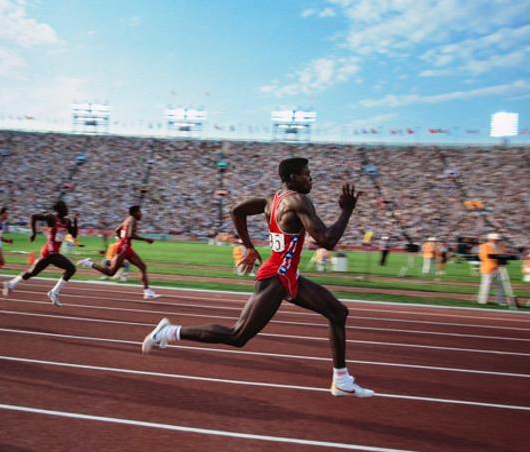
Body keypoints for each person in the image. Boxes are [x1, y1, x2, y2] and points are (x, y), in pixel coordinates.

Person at [142, 157, 375, 398]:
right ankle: (167, 332)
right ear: (293, 177)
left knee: (338, 312)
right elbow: (327, 240)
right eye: (307, 174)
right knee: (238, 335)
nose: (311, 178)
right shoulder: (298, 200)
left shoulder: (270, 200)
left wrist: (249, 247)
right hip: (276, 276)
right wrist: (347, 211)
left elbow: (236, 210)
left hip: (287, 274)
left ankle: (341, 379)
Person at [4, 200, 81, 305]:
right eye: (64, 208)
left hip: (52, 253)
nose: (66, 209)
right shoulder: (52, 218)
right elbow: (34, 217)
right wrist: (34, 233)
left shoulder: (67, 221)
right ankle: (54, 292)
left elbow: (74, 235)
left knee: (32, 273)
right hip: (49, 252)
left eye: (66, 207)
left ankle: (10, 283)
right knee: (71, 269)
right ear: (58, 210)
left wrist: (76, 221)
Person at [82, 205, 159, 299]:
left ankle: (147, 291)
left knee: (143, 266)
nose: (141, 214)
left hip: (125, 247)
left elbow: (117, 230)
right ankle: (89, 263)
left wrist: (122, 240)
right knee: (111, 273)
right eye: (140, 212)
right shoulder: (133, 220)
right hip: (124, 248)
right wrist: (145, 239)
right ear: (135, 213)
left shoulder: (127, 219)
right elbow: (130, 235)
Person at [476, 232, 511, 305]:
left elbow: (504, 255)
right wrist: (495, 257)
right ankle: (483, 301)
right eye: (495, 239)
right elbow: (483, 257)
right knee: (486, 285)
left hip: (499, 268)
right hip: (488, 268)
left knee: (501, 285)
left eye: (497, 239)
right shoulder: (484, 246)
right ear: (490, 239)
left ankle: (501, 301)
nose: (497, 241)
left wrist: (501, 258)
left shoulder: (501, 246)